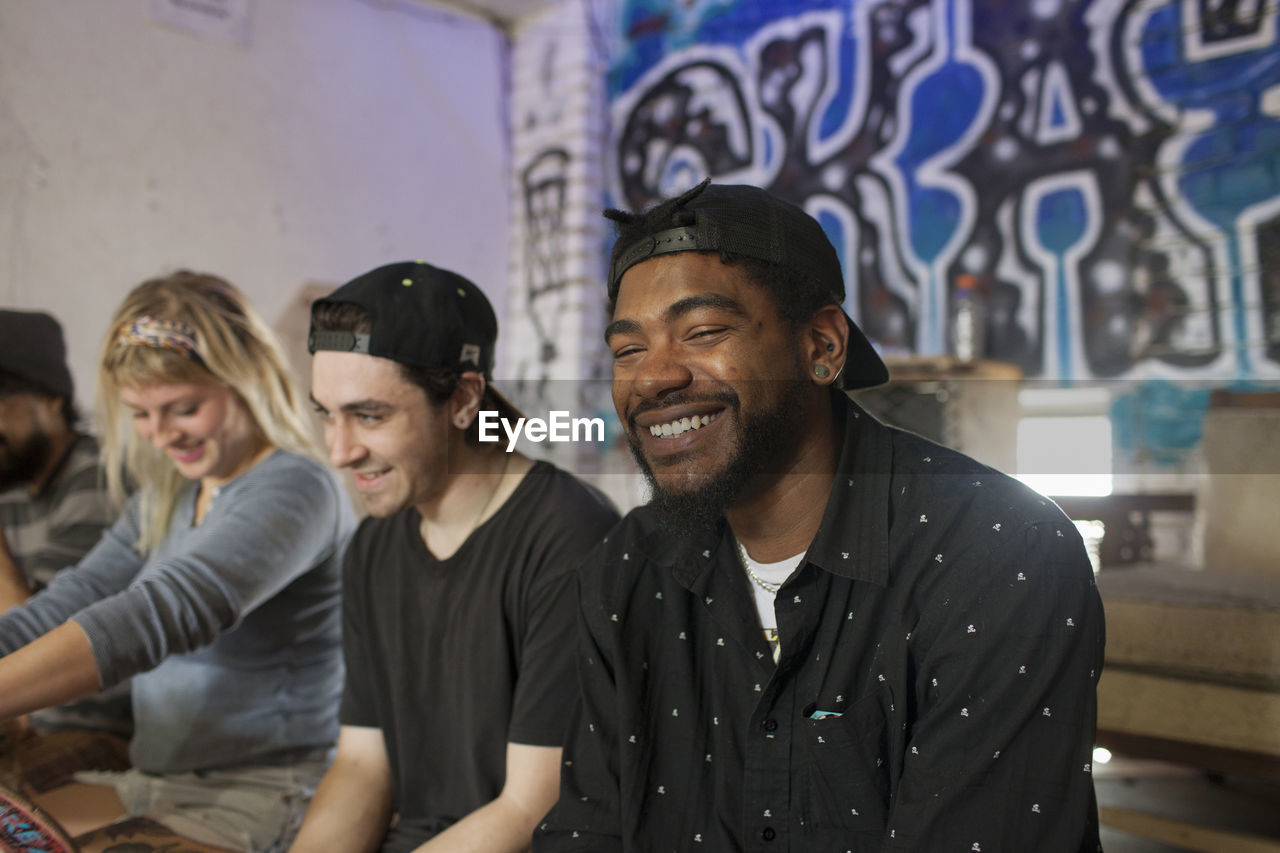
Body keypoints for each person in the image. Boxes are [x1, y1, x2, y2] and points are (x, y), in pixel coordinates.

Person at [534, 180, 1105, 852]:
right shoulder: (627, 567)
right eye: (628, 350)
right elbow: (586, 831)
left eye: (703, 331)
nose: (653, 377)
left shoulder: (1002, 554)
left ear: (823, 347)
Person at [0, 271, 356, 852]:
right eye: (140, 413)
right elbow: (69, 599)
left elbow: (161, 612)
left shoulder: (297, 487)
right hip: (154, 782)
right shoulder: (169, 494)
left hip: (267, 789)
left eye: (183, 408)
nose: (161, 435)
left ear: (246, 381)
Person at [292, 260, 619, 853]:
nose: (339, 452)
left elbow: (532, 807)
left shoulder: (573, 538)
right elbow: (365, 767)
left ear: (464, 400)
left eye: (369, 415)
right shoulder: (374, 544)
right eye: (326, 415)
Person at [0, 310, 132, 776]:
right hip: (29, 717)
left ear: (52, 399)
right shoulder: (12, 487)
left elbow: (44, 638)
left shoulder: (97, 477)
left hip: (99, 731)